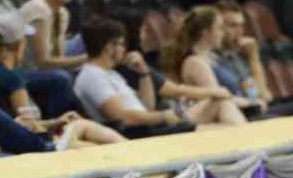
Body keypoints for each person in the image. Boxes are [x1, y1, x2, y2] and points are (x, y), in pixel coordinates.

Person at [0, 12, 124, 148]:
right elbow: (28, 125)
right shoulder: (12, 77)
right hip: (30, 146)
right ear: (19, 44)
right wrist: (55, 125)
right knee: (86, 129)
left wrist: (56, 121)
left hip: (2, 142)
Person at [74, 15, 203, 138]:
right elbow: (121, 118)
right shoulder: (93, 76)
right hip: (132, 136)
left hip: (144, 129)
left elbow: (147, 107)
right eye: (121, 44)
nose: (124, 49)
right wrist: (162, 116)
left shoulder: (111, 74)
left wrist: (143, 73)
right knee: (196, 127)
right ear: (109, 47)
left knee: (196, 124)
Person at [114, 9, 238, 127]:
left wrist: (144, 73)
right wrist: (214, 92)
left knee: (224, 106)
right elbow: (175, 90)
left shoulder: (138, 66)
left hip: (161, 117)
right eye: (143, 30)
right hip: (165, 118)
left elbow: (147, 105)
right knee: (220, 101)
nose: (145, 35)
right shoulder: (130, 66)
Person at [216, 0, 293, 118]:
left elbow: (263, 94)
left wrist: (253, 57)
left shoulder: (237, 55)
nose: (240, 31)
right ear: (218, 27)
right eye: (233, 26)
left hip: (257, 108)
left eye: (241, 25)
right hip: (240, 114)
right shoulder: (213, 60)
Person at [162, 7, 248, 125]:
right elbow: (218, 97)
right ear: (206, 32)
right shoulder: (195, 62)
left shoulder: (214, 57)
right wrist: (250, 102)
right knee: (224, 102)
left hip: (232, 111)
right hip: (209, 117)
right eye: (219, 28)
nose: (222, 33)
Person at [19, 0, 87, 73]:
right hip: (23, 70)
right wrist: (86, 59)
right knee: (62, 76)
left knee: (92, 38)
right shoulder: (38, 9)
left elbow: (59, 55)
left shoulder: (63, 13)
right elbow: (43, 61)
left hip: (44, 65)